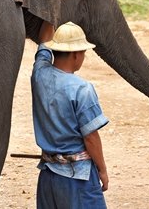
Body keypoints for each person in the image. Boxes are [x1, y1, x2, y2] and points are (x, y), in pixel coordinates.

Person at [31, 21, 109, 208]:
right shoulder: (82, 89)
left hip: (48, 176)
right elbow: (90, 137)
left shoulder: (39, 74)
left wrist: (51, 15)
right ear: (76, 54)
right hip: (77, 178)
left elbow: (43, 43)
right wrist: (102, 170)